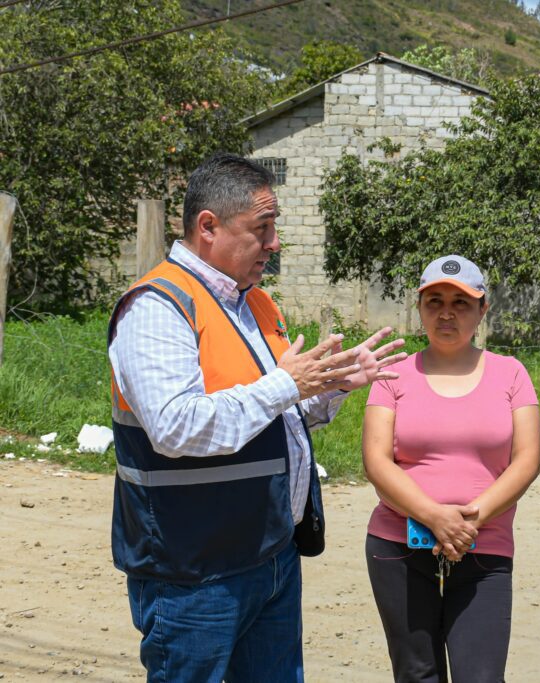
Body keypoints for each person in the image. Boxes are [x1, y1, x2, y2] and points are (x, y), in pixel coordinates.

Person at [108, 152, 406, 681]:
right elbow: (177, 427)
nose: (275, 243)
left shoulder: (257, 304)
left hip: (270, 554)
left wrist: (332, 383)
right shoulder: (158, 306)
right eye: (262, 228)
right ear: (208, 227)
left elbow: (276, 413)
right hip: (194, 571)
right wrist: (287, 384)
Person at [362, 255, 540, 682]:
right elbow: (376, 460)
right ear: (419, 308)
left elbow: (527, 460)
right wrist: (434, 517)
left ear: (482, 309)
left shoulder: (511, 373)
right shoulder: (393, 375)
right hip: (400, 547)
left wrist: (468, 522)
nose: (446, 313)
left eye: (461, 303)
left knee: (480, 675)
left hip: (484, 546)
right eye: (435, 301)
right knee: (417, 673)